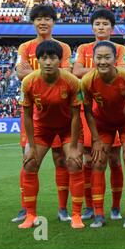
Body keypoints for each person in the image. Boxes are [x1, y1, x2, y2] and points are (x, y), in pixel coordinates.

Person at [13, 4, 72, 224]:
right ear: (33, 23)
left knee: (61, 160)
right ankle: (25, 208)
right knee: (28, 159)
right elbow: (20, 72)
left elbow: (67, 74)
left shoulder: (63, 48)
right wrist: (49, 72)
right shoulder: (24, 48)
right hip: (33, 113)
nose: (43, 22)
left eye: (47, 18)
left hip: (59, 112)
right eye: (38, 18)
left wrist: (36, 73)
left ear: (53, 22)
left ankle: (63, 208)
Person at [18, 40, 84, 229]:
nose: (48, 62)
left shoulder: (72, 81)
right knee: (29, 163)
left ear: (60, 60)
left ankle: (76, 215)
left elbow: (75, 116)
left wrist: (72, 147)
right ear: (38, 60)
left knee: (74, 162)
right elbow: (28, 117)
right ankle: (30, 215)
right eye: (44, 58)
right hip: (42, 129)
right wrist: (30, 146)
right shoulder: (28, 82)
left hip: (67, 128)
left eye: (52, 58)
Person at [72, 8, 125, 221]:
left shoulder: (121, 48)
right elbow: (76, 72)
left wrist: (95, 71)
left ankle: (115, 207)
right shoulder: (84, 48)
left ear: (112, 28)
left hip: (113, 107)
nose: (101, 27)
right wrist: (104, 70)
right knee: (90, 158)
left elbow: (123, 71)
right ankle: (90, 206)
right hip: (90, 109)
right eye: (97, 24)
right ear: (92, 27)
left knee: (115, 158)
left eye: (106, 24)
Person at [81, 41, 125, 228]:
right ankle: (98, 214)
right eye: (99, 57)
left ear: (115, 59)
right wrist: (95, 139)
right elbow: (88, 111)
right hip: (102, 124)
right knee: (97, 162)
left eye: (107, 57)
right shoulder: (87, 81)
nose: (103, 61)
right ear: (93, 59)